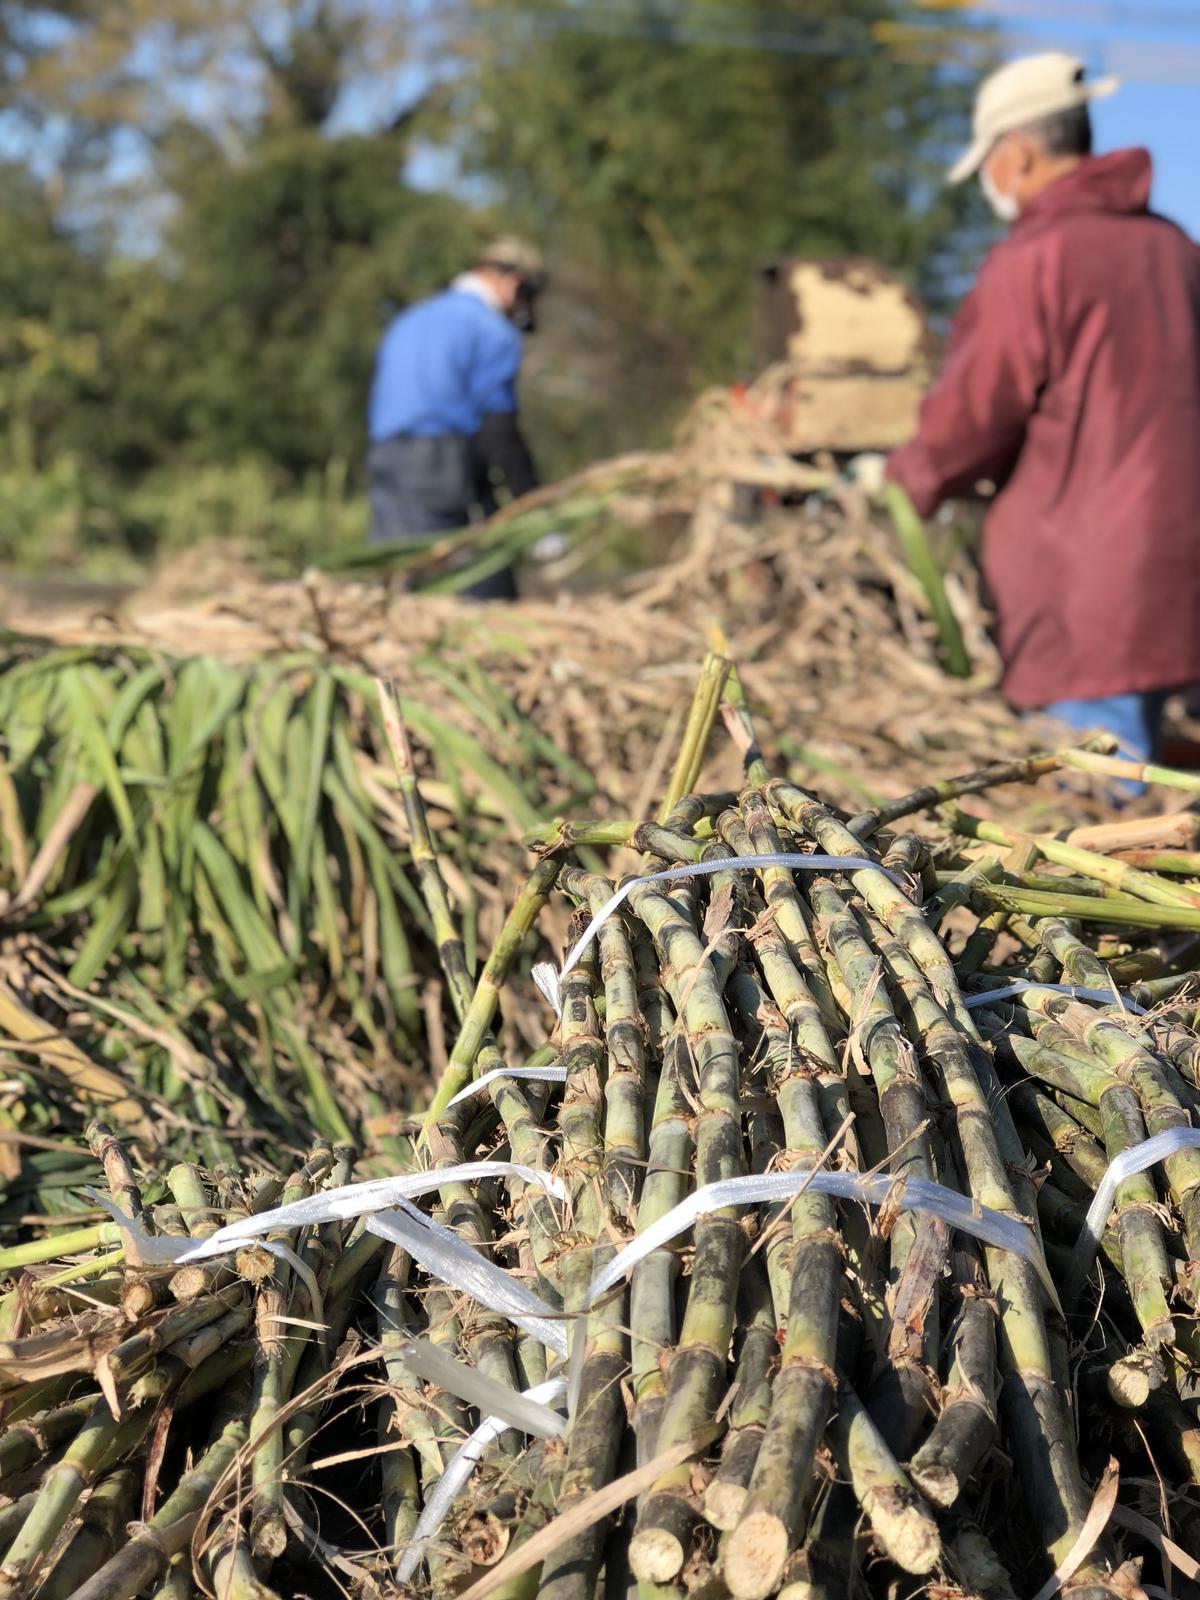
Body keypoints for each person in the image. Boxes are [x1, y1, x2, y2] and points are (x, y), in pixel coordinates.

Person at [882, 52, 1200, 778]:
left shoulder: (1034, 260)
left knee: (1095, 829)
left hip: (1088, 616)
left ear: (1016, 153)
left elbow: (967, 425)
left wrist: (902, 480)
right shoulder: (1178, 251)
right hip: (1183, 595)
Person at [366, 237, 546, 600]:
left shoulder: (409, 319)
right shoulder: (493, 331)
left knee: (400, 593)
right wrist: (537, 511)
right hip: (440, 468)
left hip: (383, 462)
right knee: (479, 601)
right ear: (514, 283)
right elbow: (499, 434)